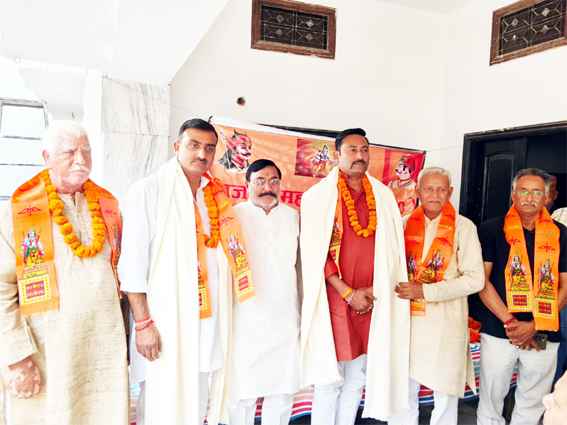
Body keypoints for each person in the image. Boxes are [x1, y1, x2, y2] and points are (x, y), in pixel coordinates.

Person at [118, 118, 255, 425]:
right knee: (162, 402)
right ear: (177, 146)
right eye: (194, 145)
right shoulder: (149, 191)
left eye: (209, 148)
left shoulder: (214, 195)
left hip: (209, 320)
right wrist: (143, 324)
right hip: (166, 322)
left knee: (199, 400)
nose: (202, 154)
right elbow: (133, 266)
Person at [0, 120, 128, 425]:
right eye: (70, 152)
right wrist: (16, 356)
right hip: (48, 354)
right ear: (46, 157)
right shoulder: (16, 212)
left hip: (103, 349)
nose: (81, 160)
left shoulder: (108, 207)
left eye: (86, 151)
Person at [299, 128, 410, 424]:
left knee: (358, 377)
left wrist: (376, 288)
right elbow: (314, 254)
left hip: (374, 299)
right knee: (329, 378)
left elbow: (393, 252)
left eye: (364, 150)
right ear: (337, 154)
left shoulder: (383, 196)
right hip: (334, 299)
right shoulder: (317, 197)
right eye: (352, 150)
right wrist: (347, 292)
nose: (360, 156)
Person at [389, 167, 484, 425]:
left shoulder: (464, 227)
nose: (434, 195)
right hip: (407, 320)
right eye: (429, 189)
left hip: (445, 322)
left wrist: (426, 291)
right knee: (403, 389)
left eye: (441, 189)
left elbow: (475, 279)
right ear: (418, 191)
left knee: (445, 391)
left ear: (450, 192)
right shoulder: (402, 224)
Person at [475, 168, 567, 425]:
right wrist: (512, 323)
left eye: (537, 192)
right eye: (523, 191)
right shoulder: (491, 229)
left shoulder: (561, 233)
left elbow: (565, 286)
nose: (529, 197)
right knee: (491, 399)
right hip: (499, 329)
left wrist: (534, 326)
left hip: (543, 332)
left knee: (532, 402)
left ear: (546, 197)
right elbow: (482, 282)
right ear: (513, 194)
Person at [227, 159, 300, 425]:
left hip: (285, 315)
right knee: (243, 390)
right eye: (260, 181)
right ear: (246, 184)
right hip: (246, 316)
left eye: (273, 181)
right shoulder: (233, 216)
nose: (267, 187)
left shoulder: (293, 217)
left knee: (282, 389)